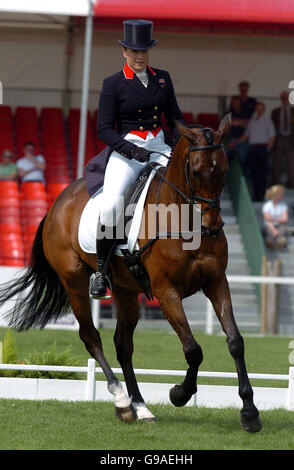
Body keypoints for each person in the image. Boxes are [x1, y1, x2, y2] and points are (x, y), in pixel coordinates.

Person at [88, 19, 185, 299]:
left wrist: (185, 138)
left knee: (184, 191)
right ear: (124, 53)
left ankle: (191, 257)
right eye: (134, 51)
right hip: (127, 151)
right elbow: (103, 129)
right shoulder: (113, 83)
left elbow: (174, 116)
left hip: (159, 146)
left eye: (143, 51)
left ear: (149, 52)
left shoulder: (163, 78)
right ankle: (101, 273)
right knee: (112, 205)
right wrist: (132, 151)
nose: (139, 56)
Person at [236, 102, 276, 201]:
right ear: (255, 110)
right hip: (253, 148)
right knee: (254, 173)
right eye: (257, 108)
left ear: (264, 109)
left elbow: (272, 137)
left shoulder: (268, 121)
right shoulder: (252, 121)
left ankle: (261, 195)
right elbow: (246, 136)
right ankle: (255, 194)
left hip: (262, 148)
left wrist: (267, 149)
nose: (259, 110)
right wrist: (236, 142)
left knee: (262, 173)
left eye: (261, 108)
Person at [271, 91, 294, 188]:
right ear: (281, 99)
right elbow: (272, 127)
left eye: (286, 98)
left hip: (290, 139)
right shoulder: (275, 111)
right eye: (283, 98)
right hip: (279, 138)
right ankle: (276, 182)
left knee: (291, 162)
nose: (284, 100)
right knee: (277, 162)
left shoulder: (293, 111)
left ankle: (292, 183)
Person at [227, 95, 249, 175]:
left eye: (238, 102)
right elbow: (231, 122)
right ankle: (229, 177)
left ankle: (242, 177)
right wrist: (240, 122)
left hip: (243, 139)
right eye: (234, 102)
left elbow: (247, 123)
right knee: (228, 159)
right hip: (231, 139)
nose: (236, 104)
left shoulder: (244, 111)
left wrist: (237, 122)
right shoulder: (229, 112)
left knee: (242, 158)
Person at [262, 185, 288, 250]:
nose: (282, 196)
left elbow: (285, 219)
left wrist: (273, 219)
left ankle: (271, 242)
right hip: (270, 225)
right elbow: (267, 219)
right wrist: (274, 229)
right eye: (281, 194)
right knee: (270, 228)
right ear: (276, 195)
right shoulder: (267, 205)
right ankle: (279, 242)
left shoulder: (283, 205)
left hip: (280, 225)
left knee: (282, 228)